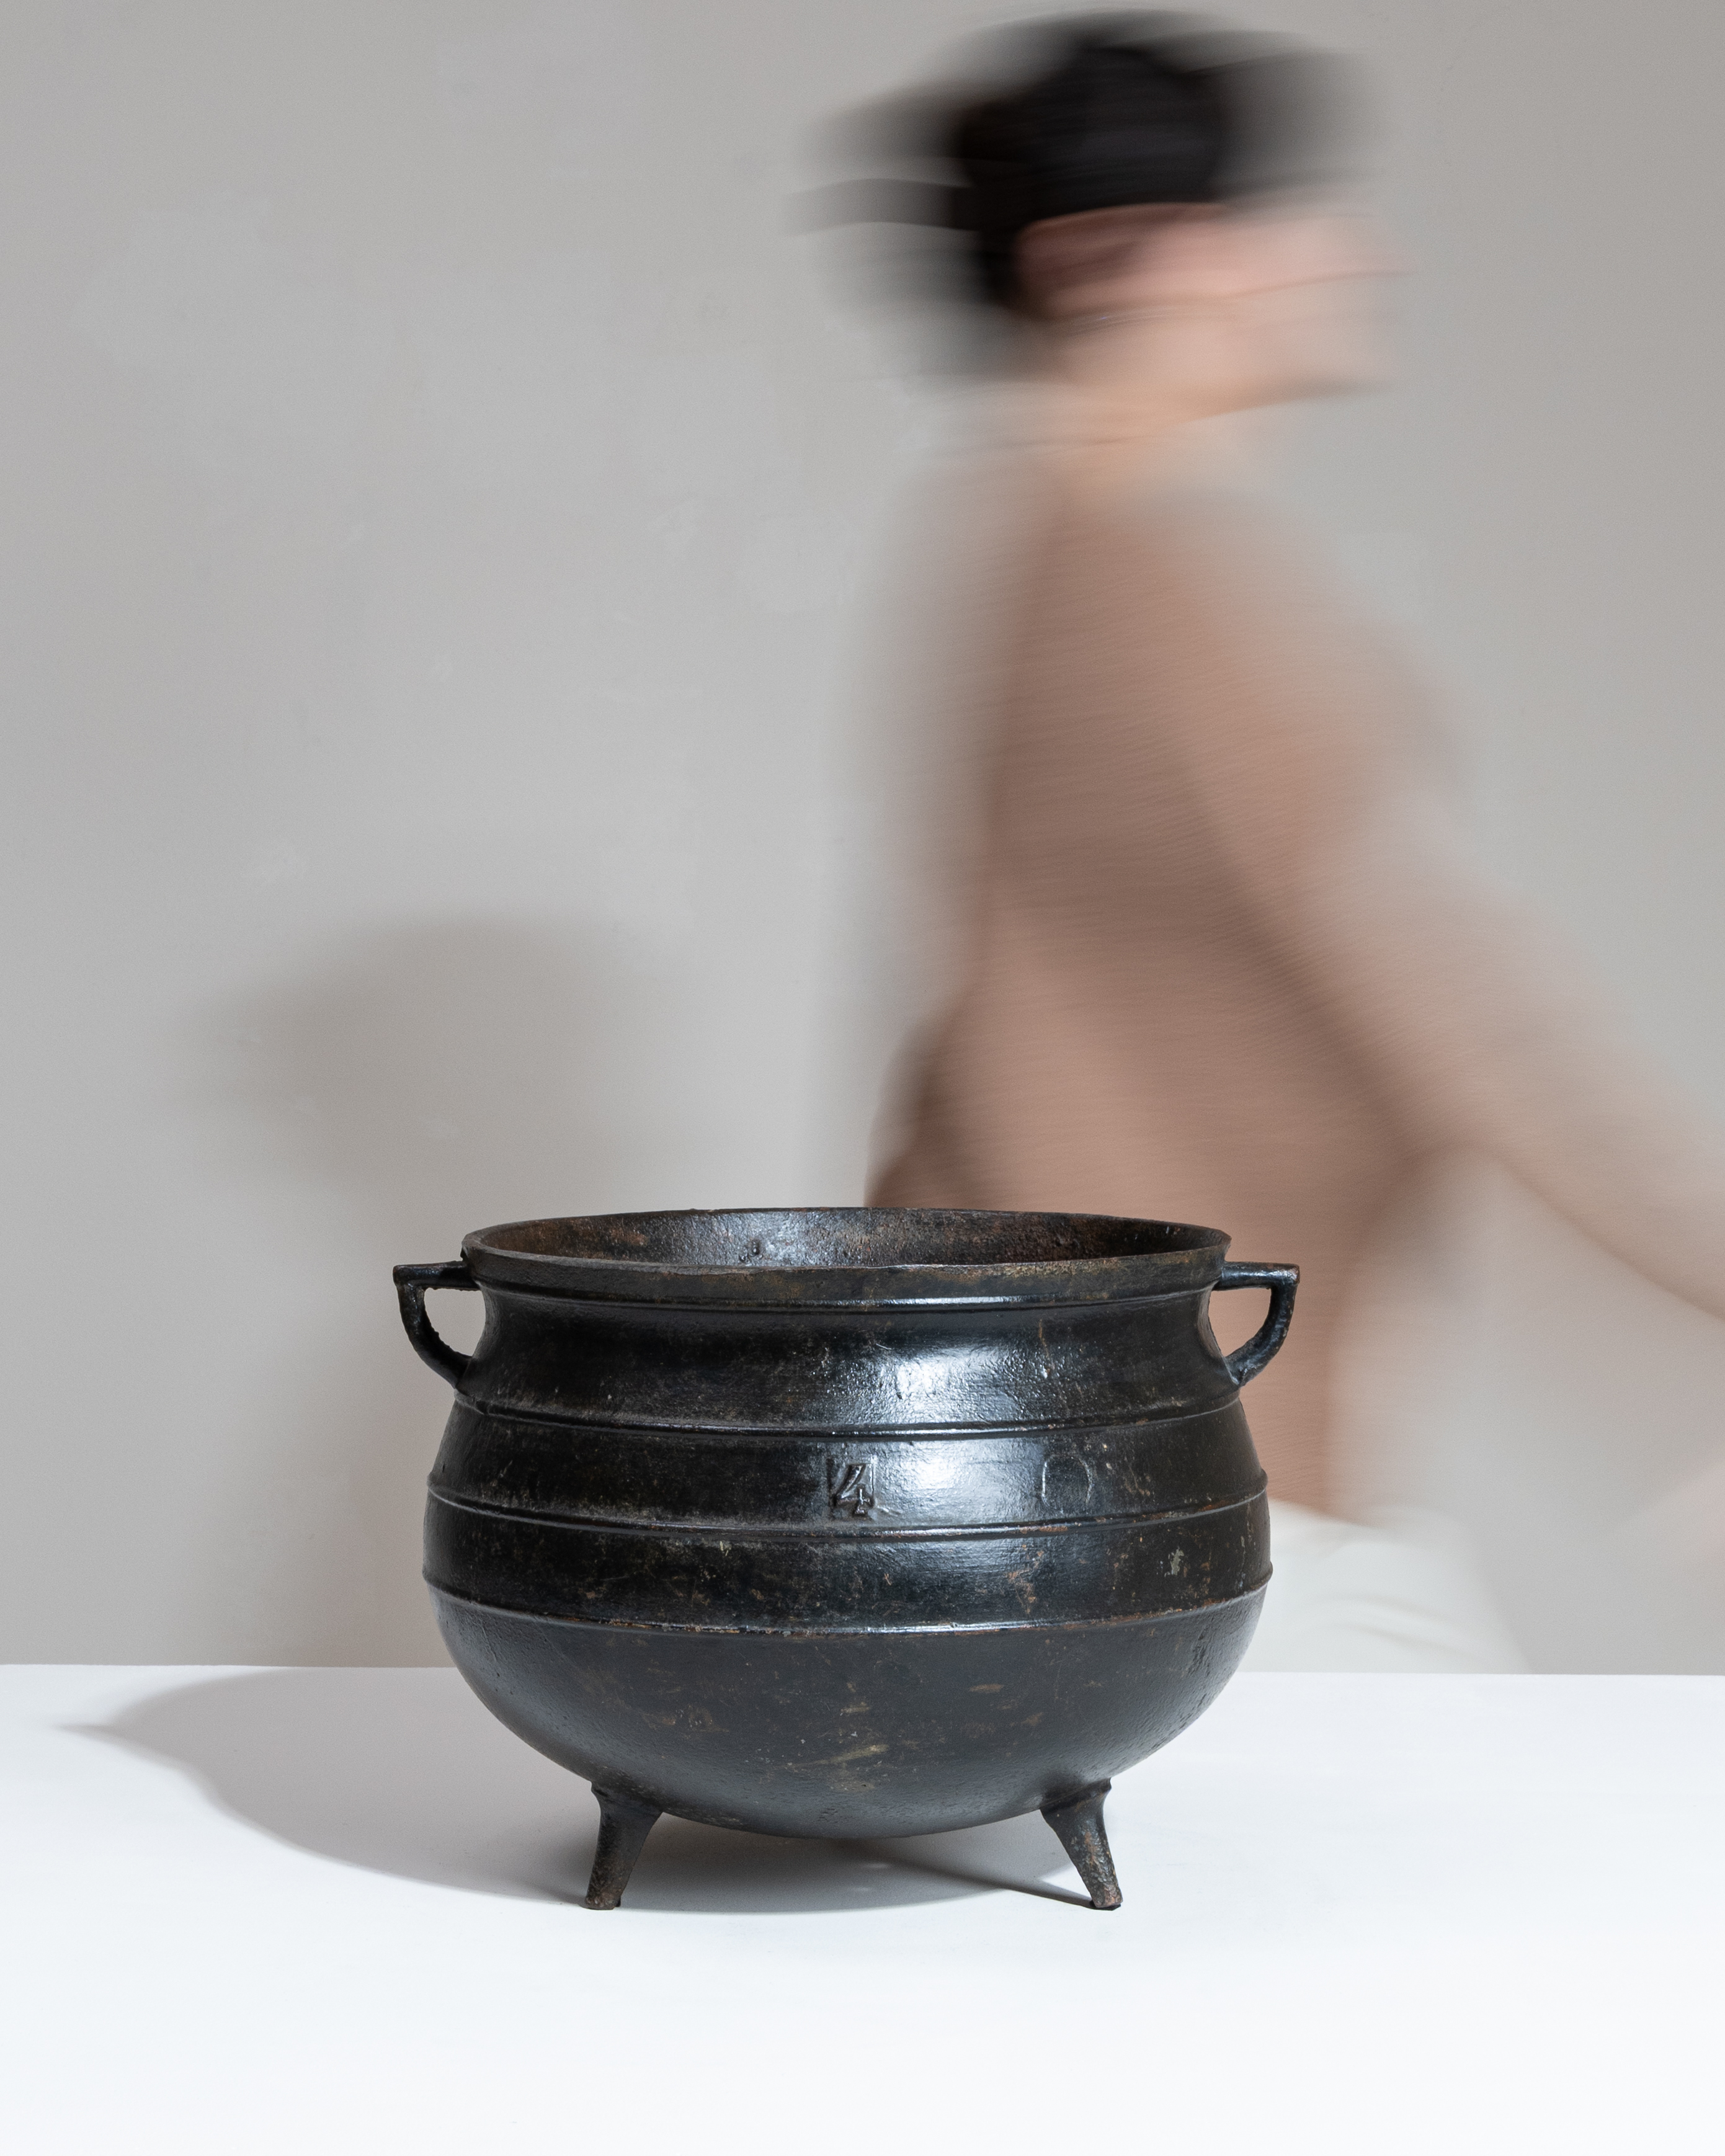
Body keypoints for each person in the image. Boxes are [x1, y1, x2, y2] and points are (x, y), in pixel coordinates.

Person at [836, 16, 1725, 1665]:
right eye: (1275, 211)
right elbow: (1470, 1026)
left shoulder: (1034, 547)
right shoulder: (1151, 588)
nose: (1353, 250)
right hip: (1157, 1475)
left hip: (1082, 1445)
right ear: (1104, 256)